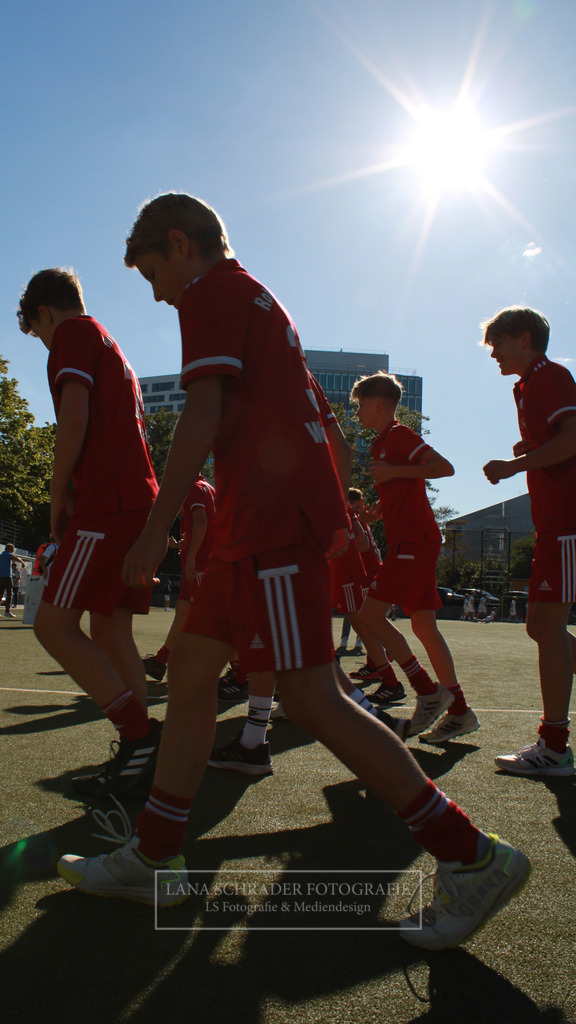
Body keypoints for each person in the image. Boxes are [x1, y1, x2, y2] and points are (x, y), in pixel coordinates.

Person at [56, 193, 529, 950]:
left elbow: (203, 414)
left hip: (270, 521)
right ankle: (154, 853)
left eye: (151, 272)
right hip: (263, 520)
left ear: (181, 245)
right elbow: (324, 426)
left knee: (313, 692)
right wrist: (333, 511)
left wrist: (154, 529)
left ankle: (471, 854)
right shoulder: (259, 298)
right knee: (194, 675)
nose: (155, 291)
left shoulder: (212, 291)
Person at [17, 268, 162, 799]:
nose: (43, 344)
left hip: (106, 505)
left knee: (53, 626)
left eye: (38, 333)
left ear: (46, 313)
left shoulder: (74, 335)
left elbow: (73, 417)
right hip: (136, 502)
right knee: (111, 628)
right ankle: (142, 758)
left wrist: (59, 494)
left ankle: (139, 735)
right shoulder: (109, 341)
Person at [352, 372, 479, 744]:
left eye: (360, 406)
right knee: (424, 627)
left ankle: (427, 691)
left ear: (379, 405)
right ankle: (459, 712)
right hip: (412, 541)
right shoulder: (381, 445)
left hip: (414, 542)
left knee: (368, 615)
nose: (358, 413)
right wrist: (379, 508)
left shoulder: (400, 437)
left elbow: (444, 468)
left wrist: (394, 471)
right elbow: (402, 489)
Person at [482, 306, 576, 777]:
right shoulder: (528, 385)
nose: (493, 354)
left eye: (497, 343)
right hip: (553, 523)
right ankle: (554, 742)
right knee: (540, 625)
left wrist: (513, 465)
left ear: (524, 338)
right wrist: (532, 450)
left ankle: (555, 746)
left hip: (567, 520)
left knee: (547, 624)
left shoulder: (548, 375)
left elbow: (573, 438)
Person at [143, 475, 216, 682]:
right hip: (200, 562)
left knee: (213, 619)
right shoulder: (207, 487)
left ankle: (240, 674)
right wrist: (185, 546)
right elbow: (205, 522)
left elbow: (201, 522)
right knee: (183, 610)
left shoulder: (192, 487)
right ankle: (160, 661)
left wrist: (192, 555)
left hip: (201, 564)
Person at [0, 544, 25, 618]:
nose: (13, 550)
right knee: (9, 594)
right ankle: (7, 611)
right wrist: (22, 562)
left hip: (0, 577)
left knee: (0, 594)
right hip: (7, 577)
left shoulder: (1, 555)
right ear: (8, 548)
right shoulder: (7, 555)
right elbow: (15, 558)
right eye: (12, 548)